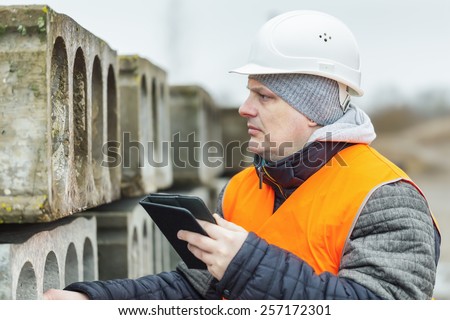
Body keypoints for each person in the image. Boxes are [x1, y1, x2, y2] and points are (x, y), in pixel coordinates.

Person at [44, 10, 440, 300]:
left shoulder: (387, 199)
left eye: (264, 95)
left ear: (313, 110)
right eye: (250, 91)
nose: (244, 108)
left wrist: (246, 264)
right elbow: (197, 290)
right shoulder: (243, 188)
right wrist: (92, 301)